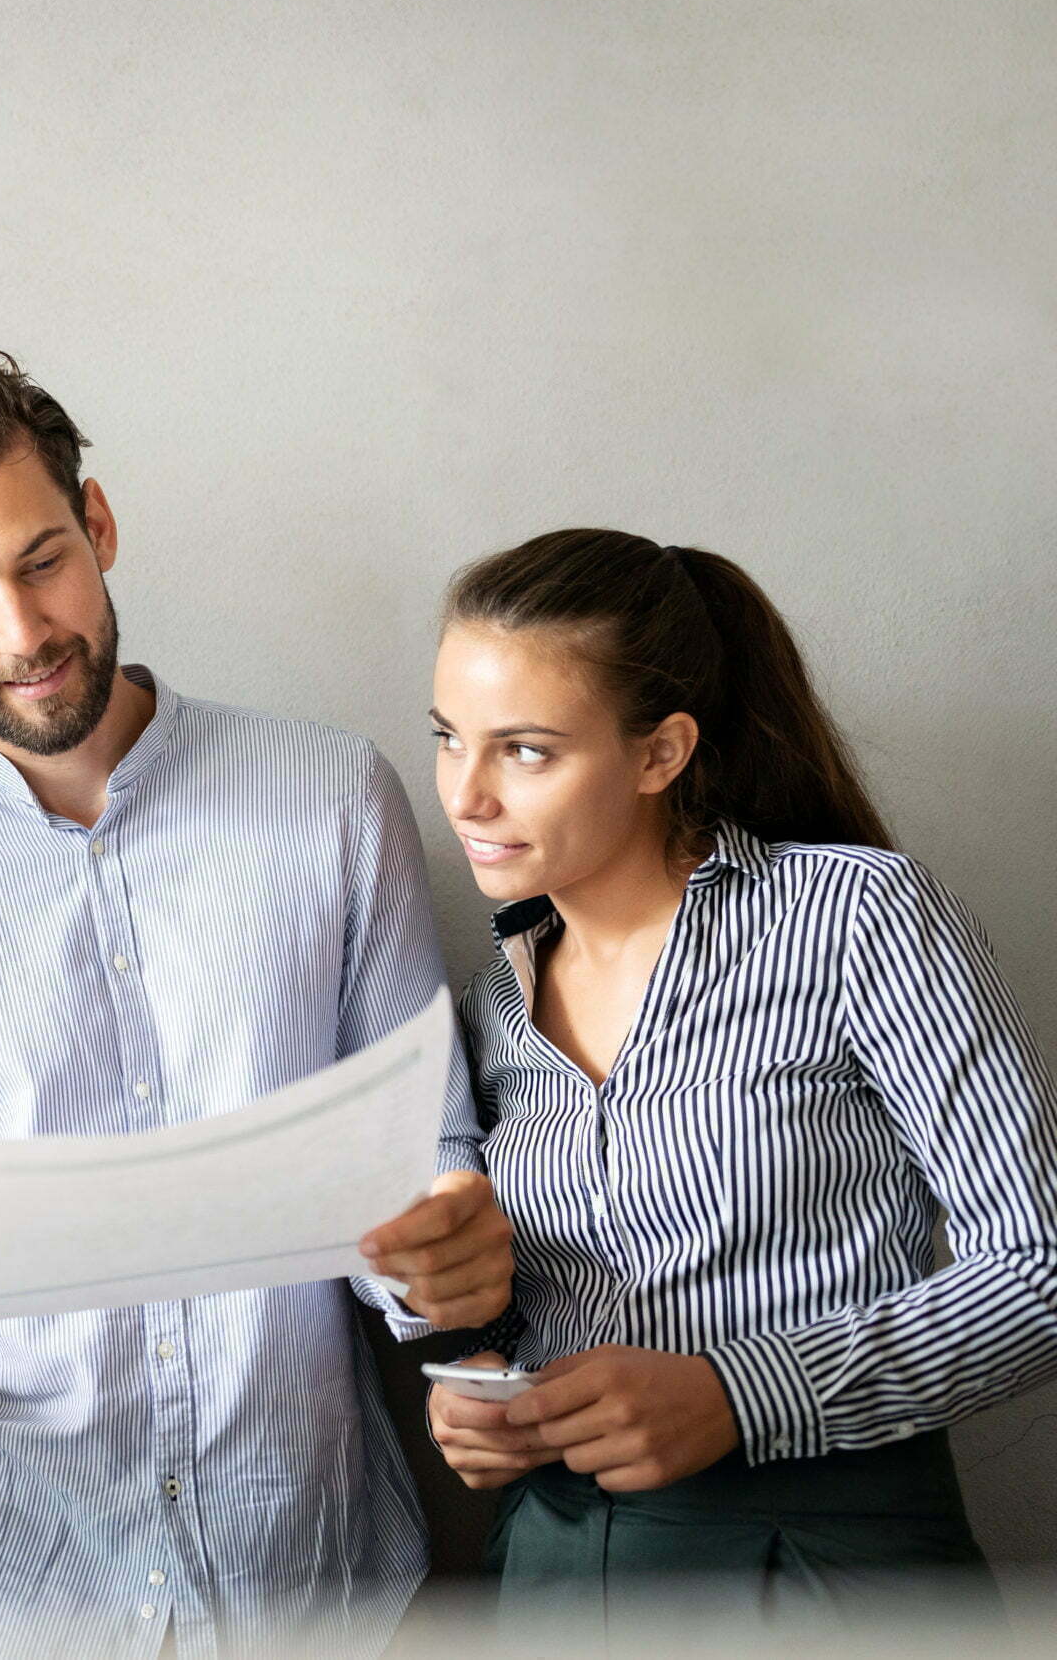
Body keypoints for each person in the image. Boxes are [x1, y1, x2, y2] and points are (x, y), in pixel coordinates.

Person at [0, 353, 512, 1660]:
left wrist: (448, 1253)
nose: (24, 629)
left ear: (99, 523)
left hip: (311, 1572)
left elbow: (429, 1166)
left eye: (44, 559)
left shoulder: (336, 799)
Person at [422, 527, 1054, 1632]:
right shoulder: (492, 1005)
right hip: (555, 1577)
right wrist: (484, 1396)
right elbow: (530, 1302)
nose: (465, 795)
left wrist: (739, 1394)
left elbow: (1039, 1269)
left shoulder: (856, 919)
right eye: (446, 739)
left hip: (826, 1569)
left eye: (523, 749)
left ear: (661, 752)